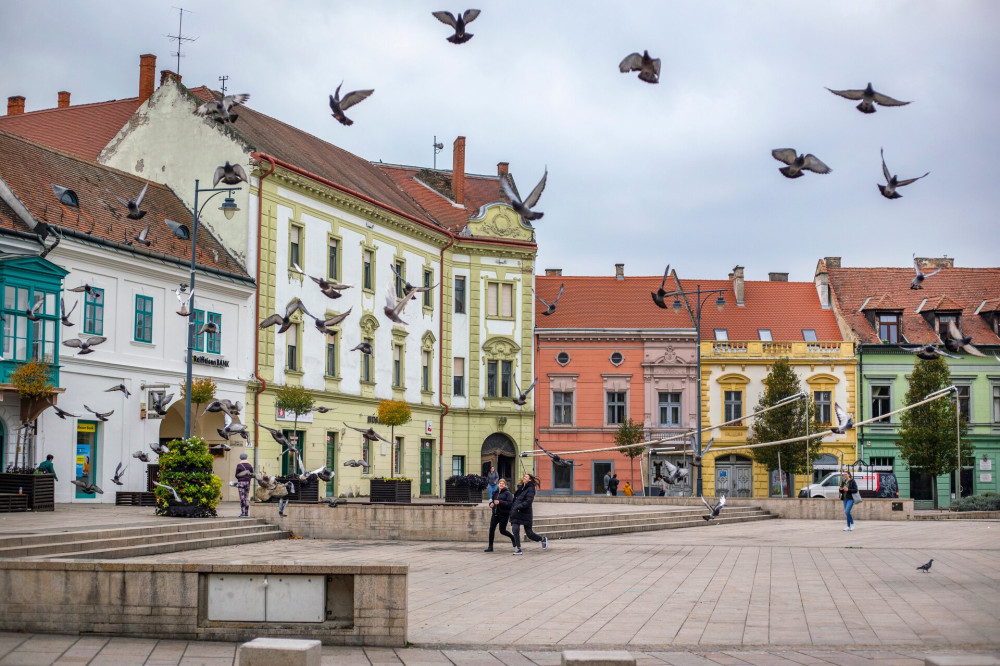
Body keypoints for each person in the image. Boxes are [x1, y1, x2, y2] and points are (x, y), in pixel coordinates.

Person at [510, 473, 547, 555]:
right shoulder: (520, 488)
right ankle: (518, 548)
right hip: (516, 512)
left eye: (526, 477)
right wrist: (513, 508)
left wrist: (519, 506)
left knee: (529, 534)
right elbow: (515, 499)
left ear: (529, 480)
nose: (524, 477)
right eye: (524, 476)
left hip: (525, 513)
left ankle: (542, 539)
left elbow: (528, 501)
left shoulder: (531, 489)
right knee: (515, 529)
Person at [485, 478, 515, 552]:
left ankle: (512, 538)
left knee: (502, 530)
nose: (501, 484)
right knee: (491, 529)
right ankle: (490, 547)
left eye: (502, 483)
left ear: (505, 485)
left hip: (504, 514)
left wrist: (500, 502)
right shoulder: (495, 493)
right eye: (500, 483)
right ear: (498, 484)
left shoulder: (508, 493)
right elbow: (492, 501)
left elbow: (510, 504)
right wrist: (491, 504)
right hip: (495, 514)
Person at [235, 453, 254, 518]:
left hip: (241, 482)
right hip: (248, 482)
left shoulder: (239, 465)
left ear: (240, 458)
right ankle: (246, 513)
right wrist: (248, 479)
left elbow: (236, 475)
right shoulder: (249, 465)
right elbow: (252, 474)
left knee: (242, 498)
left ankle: (243, 513)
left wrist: (240, 478)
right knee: (246, 497)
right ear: (246, 457)